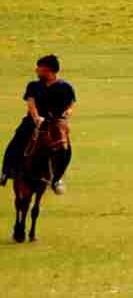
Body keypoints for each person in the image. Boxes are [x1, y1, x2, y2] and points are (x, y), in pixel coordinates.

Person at [10, 54, 76, 194]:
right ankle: (6, 172)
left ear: (49, 70)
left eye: (40, 68)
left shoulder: (65, 87)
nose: (37, 71)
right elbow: (31, 103)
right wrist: (36, 117)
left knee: (66, 148)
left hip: (56, 122)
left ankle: (57, 179)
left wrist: (68, 112)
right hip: (34, 121)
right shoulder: (33, 86)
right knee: (17, 140)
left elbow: (71, 103)